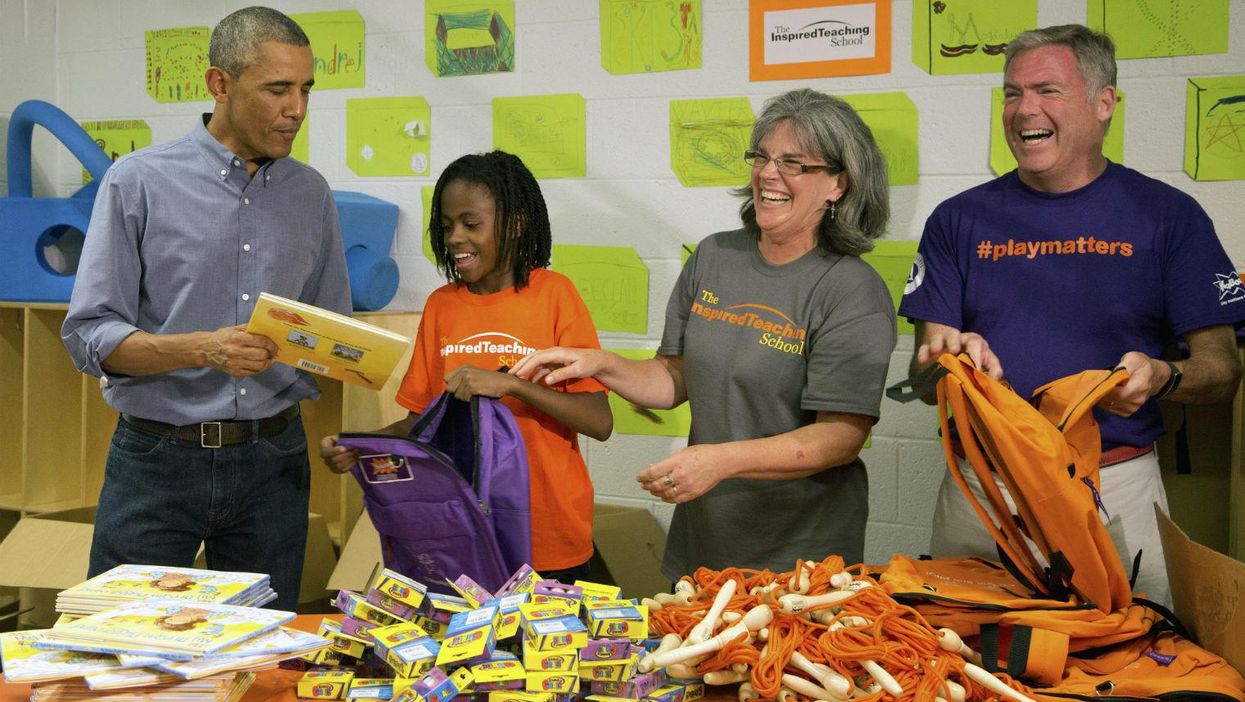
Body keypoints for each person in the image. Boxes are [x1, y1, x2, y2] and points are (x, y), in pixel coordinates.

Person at [899, 24, 1245, 608]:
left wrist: (1164, 376)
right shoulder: (956, 220)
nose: (1022, 109)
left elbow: (1223, 369)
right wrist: (952, 364)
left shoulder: (1170, 217)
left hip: (1117, 487)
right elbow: (929, 380)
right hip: (984, 493)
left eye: (1047, 90)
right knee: (960, 669)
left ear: (1104, 102)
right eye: (1012, 93)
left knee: (1134, 659)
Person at [511, 89, 897, 578]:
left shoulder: (851, 289)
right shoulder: (715, 256)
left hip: (799, 562)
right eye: (761, 157)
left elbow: (840, 437)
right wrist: (600, 363)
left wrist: (720, 461)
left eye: (793, 163)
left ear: (838, 184)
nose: (767, 173)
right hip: (702, 546)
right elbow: (674, 379)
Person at [61, 6, 349, 612]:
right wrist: (202, 349)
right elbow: (88, 335)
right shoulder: (137, 181)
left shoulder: (312, 194)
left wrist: (352, 364)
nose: (296, 108)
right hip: (156, 461)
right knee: (124, 648)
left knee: (255, 657)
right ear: (220, 84)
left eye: (305, 90)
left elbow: (329, 333)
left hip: (274, 461)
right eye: (277, 89)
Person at [320, 151, 613, 585]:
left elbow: (599, 420)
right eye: (446, 225)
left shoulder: (555, 295)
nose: (455, 237)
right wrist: (358, 446)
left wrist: (510, 384)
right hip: (464, 535)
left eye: (470, 224)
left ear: (515, 223)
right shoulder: (442, 305)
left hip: (549, 533)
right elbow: (422, 421)